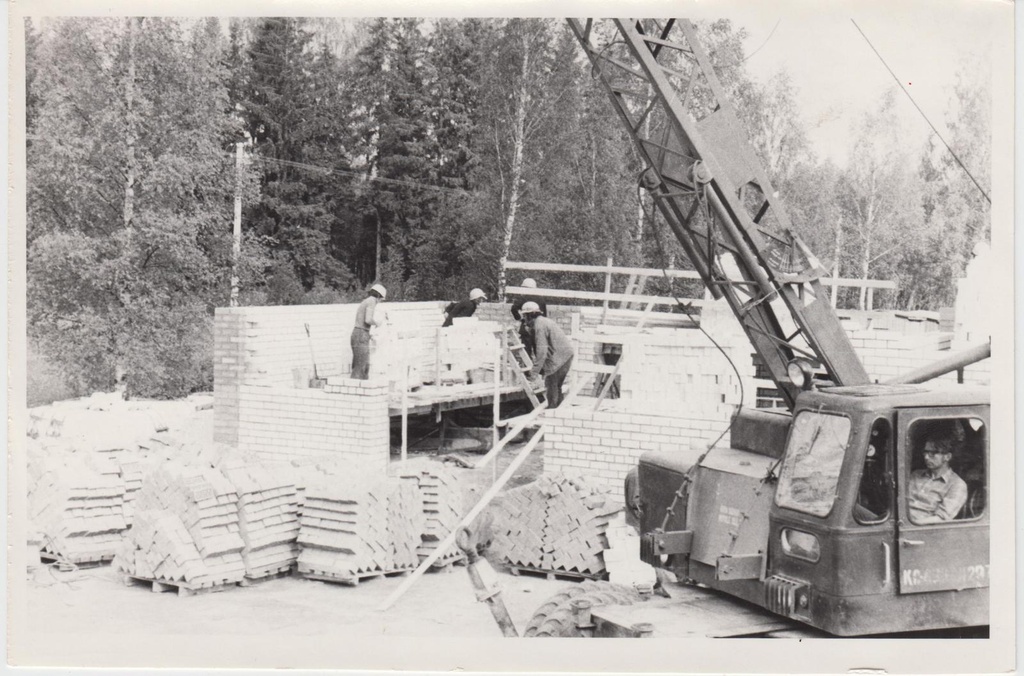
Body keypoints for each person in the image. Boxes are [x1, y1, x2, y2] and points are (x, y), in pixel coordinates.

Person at [520, 301, 574, 408]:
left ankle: (552, 412)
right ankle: (558, 412)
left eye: (525, 316)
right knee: (556, 386)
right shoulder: (543, 321)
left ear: (530, 315)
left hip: (558, 359)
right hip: (566, 357)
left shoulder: (539, 326)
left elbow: (541, 352)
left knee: (551, 385)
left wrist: (533, 374)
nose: (524, 320)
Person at [907, 436, 968, 524]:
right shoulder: (915, 475)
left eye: (932, 453)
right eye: (925, 452)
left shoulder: (957, 485)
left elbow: (941, 518)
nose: (926, 457)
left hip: (921, 530)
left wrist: (911, 524)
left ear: (947, 457)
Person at [351, 283, 386, 380]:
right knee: (361, 366)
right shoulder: (371, 301)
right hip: (360, 334)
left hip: (360, 334)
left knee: (362, 365)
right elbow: (368, 319)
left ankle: (360, 389)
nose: (380, 302)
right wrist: (377, 323)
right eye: (381, 299)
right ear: (378, 296)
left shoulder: (367, 301)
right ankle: (356, 390)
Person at [510, 278, 547, 359]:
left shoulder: (522, 298)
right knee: (539, 353)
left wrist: (520, 319)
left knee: (526, 353)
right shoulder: (540, 299)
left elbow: (513, 309)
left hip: (526, 328)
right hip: (538, 328)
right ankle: (540, 370)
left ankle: (528, 371)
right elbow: (544, 315)